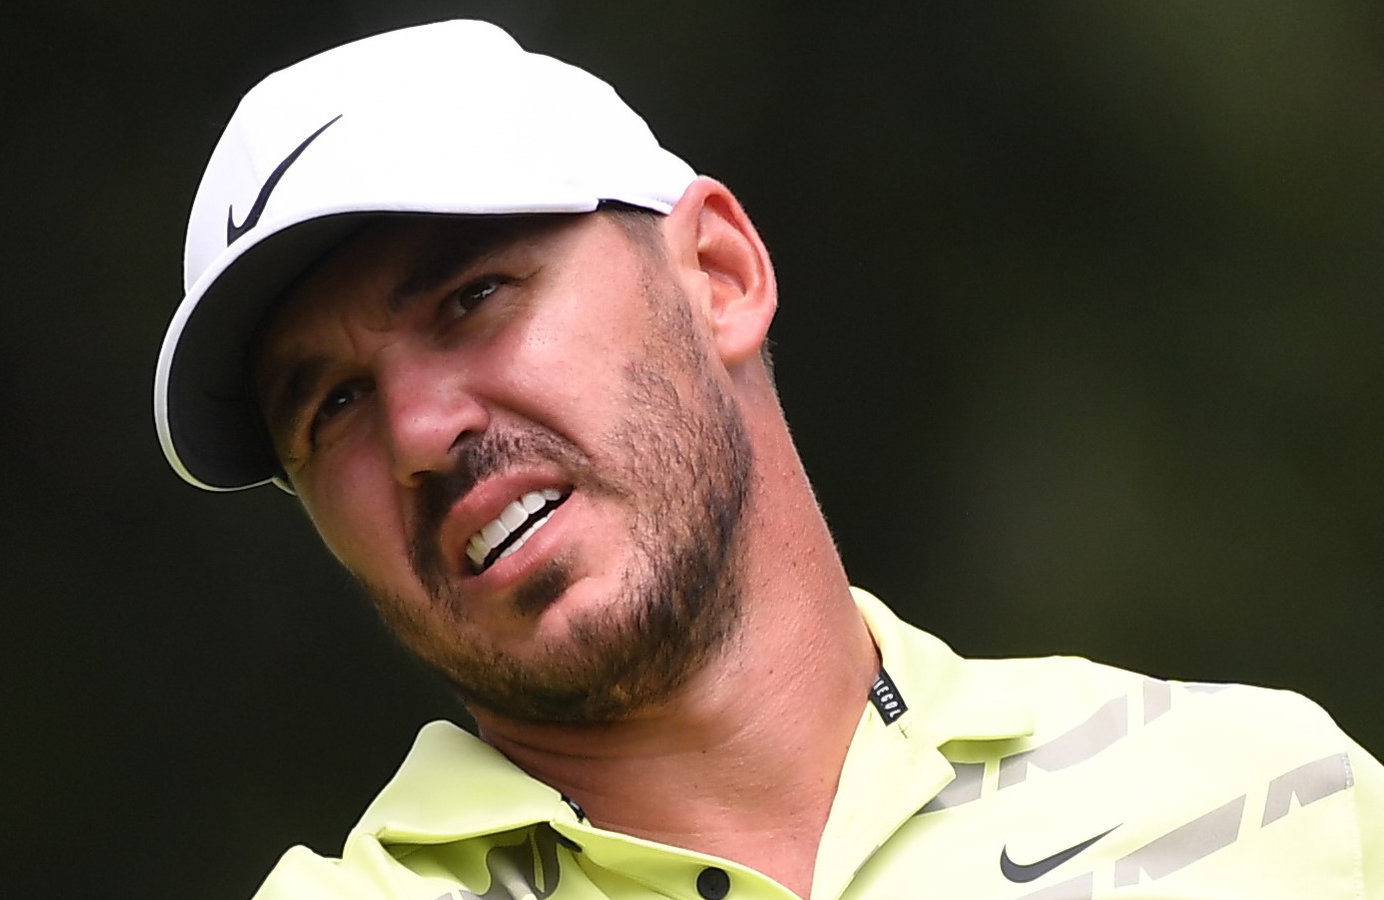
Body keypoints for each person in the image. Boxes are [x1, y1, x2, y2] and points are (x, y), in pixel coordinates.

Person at [154, 19, 1383, 900]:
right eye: (333, 406)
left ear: (718, 275)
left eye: (472, 297)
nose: (419, 433)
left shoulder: (1266, 799)